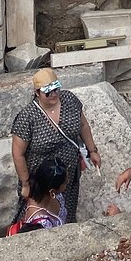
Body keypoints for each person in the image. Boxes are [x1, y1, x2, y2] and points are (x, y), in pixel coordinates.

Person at [11, 69, 101, 226]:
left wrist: (92, 150)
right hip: (42, 181)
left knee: (67, 211)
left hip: (67, 175)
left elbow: (83, 125)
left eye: (56, 89)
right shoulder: (27, 117)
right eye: (48, 92)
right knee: (39, 217)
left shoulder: (69, 99)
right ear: (37, 93)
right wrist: (25, 184)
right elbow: (18, 153)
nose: (53, 94)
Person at [13, 158, 69, 232]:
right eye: (65, 183)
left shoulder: (55, 195)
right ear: (52, 192)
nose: (67, 184)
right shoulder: (42, 224)